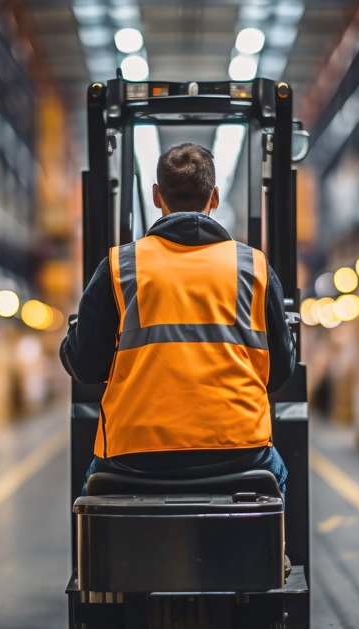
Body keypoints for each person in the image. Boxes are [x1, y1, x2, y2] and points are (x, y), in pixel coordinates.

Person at [61, 142, 296, 501]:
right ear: (214, 197)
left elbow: (86, 366)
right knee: (278, 474)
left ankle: (92, 559)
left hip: (134, 458)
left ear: (157, 196)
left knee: (89, 495)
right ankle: (275, 554)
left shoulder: (120, 267)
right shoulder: (254, 268)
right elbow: (279, 372)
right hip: (239, 452)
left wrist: (74, 337)